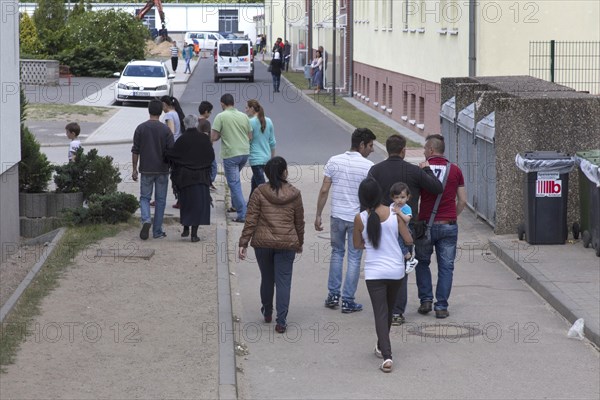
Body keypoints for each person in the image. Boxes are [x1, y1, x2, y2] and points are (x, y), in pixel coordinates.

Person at [368, 134, 443, 325]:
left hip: (381, 226)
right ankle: (397, 312)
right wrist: (427, 170)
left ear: (386, 149)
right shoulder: (413, 171)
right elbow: (437, 188)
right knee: (401, 269)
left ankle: (383, 308)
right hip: (407, 228)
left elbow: (368, 196)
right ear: (404, 151)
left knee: (381, 265)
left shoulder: (375, 170)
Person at [238, 156, 305, 334]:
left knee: (267, 278)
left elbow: (251, 218)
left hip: (263, 243)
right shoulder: (295, 194)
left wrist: (243, 242)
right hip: (287, 243)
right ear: (285, 172)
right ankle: (281, 321)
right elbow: (299, 222)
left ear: (267, 173)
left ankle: (267, 311)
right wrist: (299, 242)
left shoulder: (259, 192)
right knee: (284, 281)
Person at [353, 178, 413, 373]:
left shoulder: (360, 218)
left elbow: (356, 245)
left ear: (362, 197)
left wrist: (369, 244)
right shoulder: (393, 214)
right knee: (388, 309)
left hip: (374, 272)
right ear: (380, 193)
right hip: (396, 270)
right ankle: (381, 347)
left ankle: (387, 356)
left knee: (381, 312)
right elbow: (408, 238)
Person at [315, 128, 376, 314]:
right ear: (362, 145)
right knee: (355, 257)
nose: (372, 150)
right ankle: (348, 300)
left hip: (337, 216)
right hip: (358, 218)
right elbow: (372, 195)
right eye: (370, 145)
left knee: (337, 253)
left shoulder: (334, 161)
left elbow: (324, 190)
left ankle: (333, 295)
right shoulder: (368, 167)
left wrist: (318, 214)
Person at [415, 134, 467, 319]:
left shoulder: (421, 170)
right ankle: (442, 306)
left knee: (422, 262)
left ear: (430, 150)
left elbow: (414, 197)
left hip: (425, 225)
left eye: (424, 149)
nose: (423, 152)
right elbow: (462, 201)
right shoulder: (455, 170)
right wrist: (452, 215)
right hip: (448, 226)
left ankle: (426, 300)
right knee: (446, 267)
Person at [165, 115, 215, 243]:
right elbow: (211, 157)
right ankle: (194, 234)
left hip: (185, 178)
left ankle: (185, 228)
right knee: (198, 205)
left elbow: (173, 155)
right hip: (201, 177)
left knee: (186, 204)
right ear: (196, 124)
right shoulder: (204, 139)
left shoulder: (182, 140)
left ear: (185, 124)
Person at [131, 99, 174, 240]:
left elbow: (135, 150)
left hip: (146, 169)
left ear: (149, 110)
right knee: (160, 200)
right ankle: (157, 231)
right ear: (161, 111)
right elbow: (171, 151)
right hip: (162, 169)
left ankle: (146, 219)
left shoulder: (140, 128)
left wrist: (134, 169)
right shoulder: (166, 130)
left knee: (144, 198)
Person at [211, 93, 252, 223]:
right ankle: (235, 205)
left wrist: (224, 133)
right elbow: (250, 136)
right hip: (244, 153)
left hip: (231, 155)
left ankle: (243, 214)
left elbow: (214, 137)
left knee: (234, 183)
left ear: (222, 104)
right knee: (234, 180)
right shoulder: (244, 116)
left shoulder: (221, 116)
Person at [246, 99, 276, 196]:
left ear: (252, 108)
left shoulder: (250, 122)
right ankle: (250, 205)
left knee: (262, 188)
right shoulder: (269, 121)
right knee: (255, 184)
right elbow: (272, 141)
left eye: (247, 108)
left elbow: (248, 140)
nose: (245, 110)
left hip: (255, 158)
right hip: (266, 157)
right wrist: (272, 158)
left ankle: (269, 205)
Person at [198, 101, 217, 192]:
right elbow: (206, 137)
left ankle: (206, 182)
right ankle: (208, 182)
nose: (210, 114)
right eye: (210, 112)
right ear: (206, 112)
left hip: (199, 149)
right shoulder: (206, 123)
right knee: (213, 166)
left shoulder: (196, 121)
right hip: (206, 149)